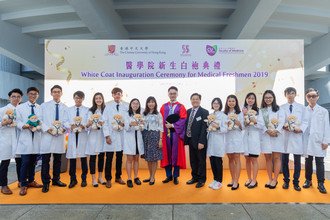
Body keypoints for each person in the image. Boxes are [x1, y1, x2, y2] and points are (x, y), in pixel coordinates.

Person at [15, 87, 43, 196]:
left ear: (38, 95)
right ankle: (23, 184)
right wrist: (25, 126)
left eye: (35, 94)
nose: (33, 96)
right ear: (27, 95)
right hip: (25, 138)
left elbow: (41, 121)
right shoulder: (20, 107)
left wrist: (38, 127)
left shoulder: (40, 108)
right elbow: (17, 122)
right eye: (31, 94)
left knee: (33, 162)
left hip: (35, 137)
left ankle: (31, 180)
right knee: (25, 162)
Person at [40, 85, 68, 193]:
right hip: (47, 135)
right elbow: (40, 120)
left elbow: (66, 121)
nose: (56, 93)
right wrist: (48, 129)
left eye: (58, 92)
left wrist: (62, 129)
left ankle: (56, 180)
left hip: (59, 136)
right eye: (54, 91)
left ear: (61, 93)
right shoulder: (44, 106)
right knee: (45, 160)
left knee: (58, 160)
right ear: (51, 93)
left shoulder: (65, 107)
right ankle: (46, 183)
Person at [302, 88, 330, 194]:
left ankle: (320, 183)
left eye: (314, 96)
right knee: (308, 161)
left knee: (320, 162)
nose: (311, 98)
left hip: (319, 141)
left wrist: (326, 141)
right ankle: (308, 180)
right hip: (307, 140)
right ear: (306, 98)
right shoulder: (304, 110)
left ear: (317, 97)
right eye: (309, 96)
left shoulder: (323, 111)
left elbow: (326, 126)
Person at [281, 87, 308, 191]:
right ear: (285, 95)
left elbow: (305, 121)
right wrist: (284, 126)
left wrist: (300, 129)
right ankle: (286, 181)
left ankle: (296, 182)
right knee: (284, 160)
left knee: (297, 161)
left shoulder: (301, 107)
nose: (290, 95)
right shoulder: (281, 107)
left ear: (295, 94)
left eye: (292, 93)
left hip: (297, 136)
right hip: (285, 136)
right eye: (288, 93)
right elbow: (279, 120)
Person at [160, 86, 187, 185]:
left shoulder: (181, 106)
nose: (172, 95)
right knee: (166, 154)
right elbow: (160, 120)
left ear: (177, 94)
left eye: (174, 93)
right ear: (168, 94)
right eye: (170, 93)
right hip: (165, 134)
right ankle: (168, 176)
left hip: (176, 134)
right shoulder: (163, 107)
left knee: (176, 155)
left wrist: (173, 125)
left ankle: (175, 176)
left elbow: (183, 119)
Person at [103, 87, 128, 188]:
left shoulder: (126, 106)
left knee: (119, 158)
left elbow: (127, 119)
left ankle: (118, 177)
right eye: (115, 94)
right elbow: (104, 121)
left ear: (122, 95)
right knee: (109, 158)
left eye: (119, 94)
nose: (117, 95)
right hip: (111, 136)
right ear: (112, 95)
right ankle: (108, 179)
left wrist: (123, 124)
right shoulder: (108, 106)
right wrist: (107, 136)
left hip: (121, 136)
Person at [260, 90, 285, 189]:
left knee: (277, 158)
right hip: (266, 136)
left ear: (273, 98)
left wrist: (276, 131)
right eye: (266, 98)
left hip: (277, 136)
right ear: (263, 99)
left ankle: (275, 180)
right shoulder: (262, 110)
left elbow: (282, 121)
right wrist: (267, 131)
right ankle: (269, 179)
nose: (268, 99)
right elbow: (260, 123)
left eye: (270, 97)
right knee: (268, 158)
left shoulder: (279, 109)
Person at [0, 88, 23, 195]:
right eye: (13, 96)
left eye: (18, 97)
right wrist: (4, 123)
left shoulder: (22, 109)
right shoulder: (2, 109)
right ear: (9, 98)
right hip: (6, 139)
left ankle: (21, 181)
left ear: (21, 98)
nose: (16, 98)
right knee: (5, 163)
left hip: (20, 139)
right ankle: (3, 185)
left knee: (20, 162)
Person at [65, 91, 89, 188]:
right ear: (74, 98)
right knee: (72, 160)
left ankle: (84, 179)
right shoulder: (69, 110)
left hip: (82, 135)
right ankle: (73, 179)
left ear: (83, 99)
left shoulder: (87, 110)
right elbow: (65, 121)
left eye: (80, 98)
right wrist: (71, 126)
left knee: (83, 159)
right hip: (72, 135)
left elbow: (89, 121)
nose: (78, 99)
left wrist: (84, 126)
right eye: (76, 98)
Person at [184, 93, 208, 188]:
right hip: (190, 140)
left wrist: (202, 142)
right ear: (191, 100)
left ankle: (202, 179)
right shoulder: (188, 111)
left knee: (201, 161)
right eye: (193, 99)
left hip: (200, 142)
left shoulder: (204, 112)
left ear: (200, 100)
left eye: (197, 99)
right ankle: (194, 177)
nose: (195, 101)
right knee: (193, 160)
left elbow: (204, 128)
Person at [242, 92, 264, 189]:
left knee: (254, 159)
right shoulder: (242, 110)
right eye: (248, 98)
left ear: (255, 100)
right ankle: (249, 178)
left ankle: (254, 180)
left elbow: (261, 125)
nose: (250, 100)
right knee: (247, 159)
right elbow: (240, 126)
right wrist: (244, 123)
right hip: (245, 137)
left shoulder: (259, 111)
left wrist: (254, 121)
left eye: (252, 98)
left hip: (254, 137)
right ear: (246, 99)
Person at [85, 92, 106, 187]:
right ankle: (93, 178)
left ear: (102, 99)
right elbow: (87, 125)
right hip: (93, 136)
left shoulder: (106, 110)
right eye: (96, 98)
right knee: (93, 158)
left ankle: (100, 177)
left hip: (102, 136)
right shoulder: (90, 111)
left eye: (100, 98)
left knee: (101, 157)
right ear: (94, 100)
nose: (98, 100)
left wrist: (103, 124)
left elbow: (108, 122)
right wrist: (89, 124)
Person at [206, 98, 227, 190]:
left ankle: (219, 181)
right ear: (212, 104)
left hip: (218, 140)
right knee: (212, 160)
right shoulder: (210, 115)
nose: (216, 104)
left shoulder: (223, 115)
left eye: (218, 103)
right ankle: (215, 179)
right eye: (214, 103)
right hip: (211, 140)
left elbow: (225, 129)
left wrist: (217, 127)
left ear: (220, 104)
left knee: (218, 161)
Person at [224, 95, 244, 190]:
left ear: (236, 102)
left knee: (237, 158)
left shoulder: (240, 113)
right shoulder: (224, 113)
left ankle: (236, 181)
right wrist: (226, 124)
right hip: (228, 137)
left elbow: (243, 127)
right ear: (227, 102)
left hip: (237, 137)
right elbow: (222, 127)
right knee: (230, 158)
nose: (231, 102)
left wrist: (238, 123)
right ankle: (232, 179)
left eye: (233, 101)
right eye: (229, 101)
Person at [142, 96, 163, 185]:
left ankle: (153, 177)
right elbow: (141, 125)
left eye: (152, 102)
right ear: (147, 104)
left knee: (154, 158)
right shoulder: (144, 114)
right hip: (146, 135)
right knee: (148, 158)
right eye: (149, 102)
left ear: (155, 103)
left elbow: (161, 128)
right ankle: (150, 176)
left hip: (155, 136)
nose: (151, 103)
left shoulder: (158, 114)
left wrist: (160, 140)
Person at [123, 98, 144, 188]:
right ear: (130, 105)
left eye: (137, 104)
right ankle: (129, 178)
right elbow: (126, 127)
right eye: (133, 103)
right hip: (130, 139)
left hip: (138, 139)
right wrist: (131, 124)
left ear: (139, 105)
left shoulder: (141, 115)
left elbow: (142, 128)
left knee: (136, 159)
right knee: (129, 160)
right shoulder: (126, 114)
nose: (135, 105)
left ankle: (135, 177)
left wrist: (142, 124)